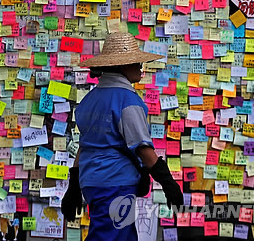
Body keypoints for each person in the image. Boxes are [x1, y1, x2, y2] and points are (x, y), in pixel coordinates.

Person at [61, 32, 184, 241]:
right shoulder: (127, 100)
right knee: (110, 237)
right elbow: (144, 151)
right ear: (122, 66)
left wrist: (73, 186)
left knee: (122, 235)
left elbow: (85, 146)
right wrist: (169, 185)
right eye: (135, 63)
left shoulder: (89, 100)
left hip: (91, 181)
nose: (140, 67)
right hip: (114, 182)